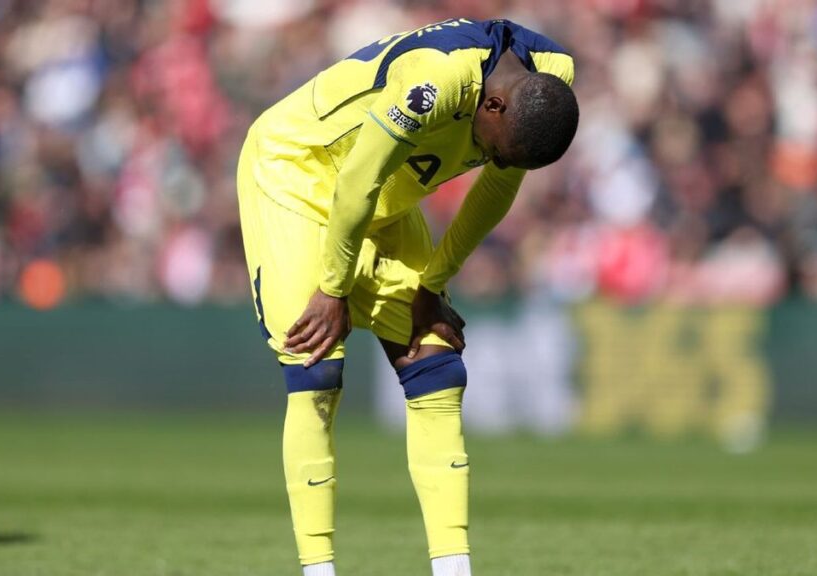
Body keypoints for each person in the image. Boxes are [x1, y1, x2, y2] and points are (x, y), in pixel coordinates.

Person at [236, 17, 578, 576]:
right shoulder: (435, 81)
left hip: (384, 195)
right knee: (316, 367)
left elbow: (496, 188)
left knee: (437, 362)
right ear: (492, 107)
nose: (499, 162)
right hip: (297, 174)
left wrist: (433, 284)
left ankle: (453, 571)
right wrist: (333, 288)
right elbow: (356, 180)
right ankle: (318, 570)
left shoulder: (550, 77)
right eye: (500, 152)